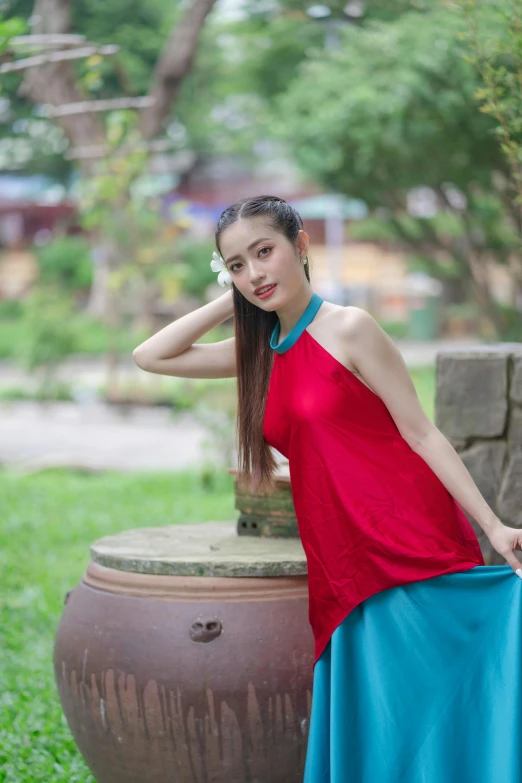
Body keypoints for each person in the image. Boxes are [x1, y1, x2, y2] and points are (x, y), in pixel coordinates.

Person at [133, 194, 522, 782]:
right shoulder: (257, 352)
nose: (255, 272)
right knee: (381, 717)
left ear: (302, 245)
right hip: (339, 560)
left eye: (265, 252)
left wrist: (493, 526)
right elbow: (151, 356)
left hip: (404, 542)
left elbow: (422, 433)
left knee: (425, 704)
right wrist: (235, 298)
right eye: (236, 264)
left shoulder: (350, 327)